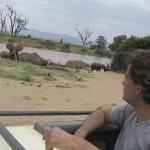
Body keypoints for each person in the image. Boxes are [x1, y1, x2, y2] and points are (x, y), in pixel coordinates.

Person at [43, 49, 150, 150]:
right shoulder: (132, 111)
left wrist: (78, 145)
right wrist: (80, 133)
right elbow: (102, 114)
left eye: (126, 78)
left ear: (138, 88)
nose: (122, 82)